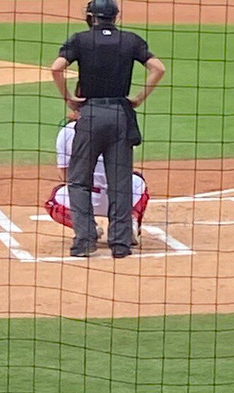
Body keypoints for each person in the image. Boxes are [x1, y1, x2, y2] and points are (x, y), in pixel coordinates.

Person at [50, 0, 165, 258]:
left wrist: (68, 97)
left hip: (90, 115)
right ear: (115, 17)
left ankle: (85, 239)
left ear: (91, 17)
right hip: (121, 115)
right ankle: (121, 244)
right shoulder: (131, 40)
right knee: (120, 182)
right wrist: (138, 98)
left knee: (79, 181)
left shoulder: (80, 40)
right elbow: (158, 68)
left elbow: (56, 68)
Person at [45, 108, 149, 246]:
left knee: (53, 202)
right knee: (138, 180)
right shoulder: (122, 124)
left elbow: (64, 174)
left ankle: (88, 227)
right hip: (120, 201)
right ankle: (128, 224)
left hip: (83, 200)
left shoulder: (68, 131)